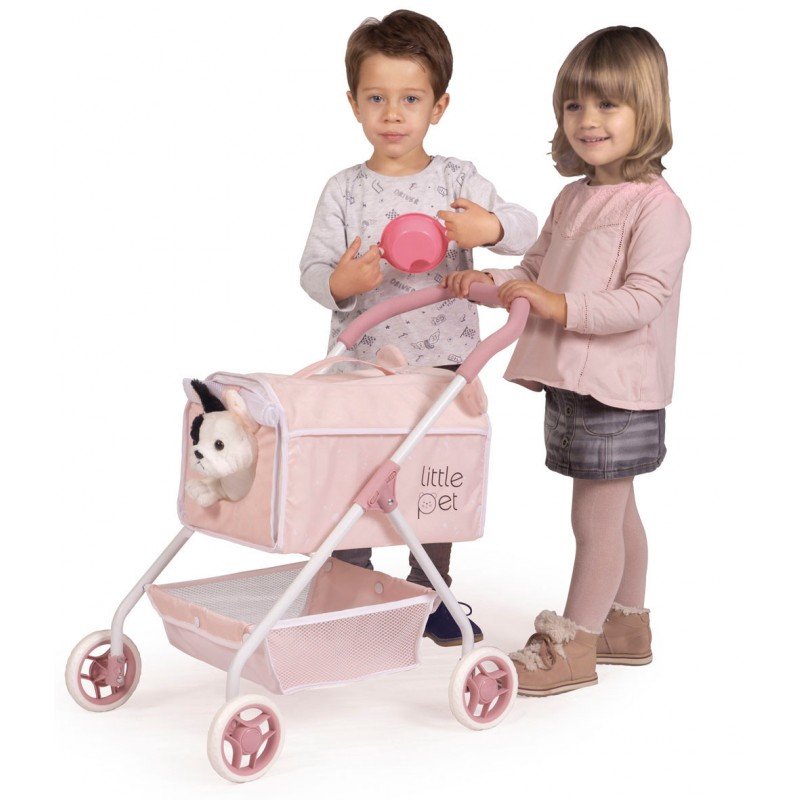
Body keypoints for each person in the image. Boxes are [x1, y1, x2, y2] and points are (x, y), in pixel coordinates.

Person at [445, 26, 690, 693]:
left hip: (619, 386)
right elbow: (534, 271)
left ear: (646, 110)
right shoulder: (574, 196)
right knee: (618, 508)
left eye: (608, 105)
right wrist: (487, 284)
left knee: (595, 517)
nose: (587, 120)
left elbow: (642, 300)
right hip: (573, 380)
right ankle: (626, 626)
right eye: (575, 105)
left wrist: (556, 304)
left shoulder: (658, 208)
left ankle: (574, 643)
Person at [299, 10, 537, 646]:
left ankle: (432, 592)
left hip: (444, 368)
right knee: (353, 475)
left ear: (439, 106)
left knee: (435, 479)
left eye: (410, 99)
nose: (393, 114)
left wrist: (489, 228)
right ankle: (348, 590)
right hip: (360, 369)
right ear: (353, 103)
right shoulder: (344, 190)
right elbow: (312, 271)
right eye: (376, 98)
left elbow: (526, 227)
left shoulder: (457, 180)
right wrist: (340, 283)